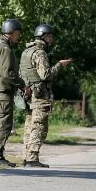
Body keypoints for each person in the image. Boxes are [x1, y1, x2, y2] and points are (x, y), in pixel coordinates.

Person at [19, 24, 72, 168]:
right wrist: (59, 65)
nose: (52, 38)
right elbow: (45, 75)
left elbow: (21, 74)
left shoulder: (26, 52)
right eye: (51, 36)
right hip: (40, 95)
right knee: (39, 127)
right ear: (45, 36)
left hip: (28, 94)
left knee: (29, 126)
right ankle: (32, 159)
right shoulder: (40, 53)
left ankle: (26, 157)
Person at [0, 18, 22, 167]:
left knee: (3, 120)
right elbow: (7, 74)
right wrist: (22, 84)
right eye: (18, 33)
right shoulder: (5, 48)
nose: (19, 36)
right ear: (12, 33)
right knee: (4, 122)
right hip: (4, 89)